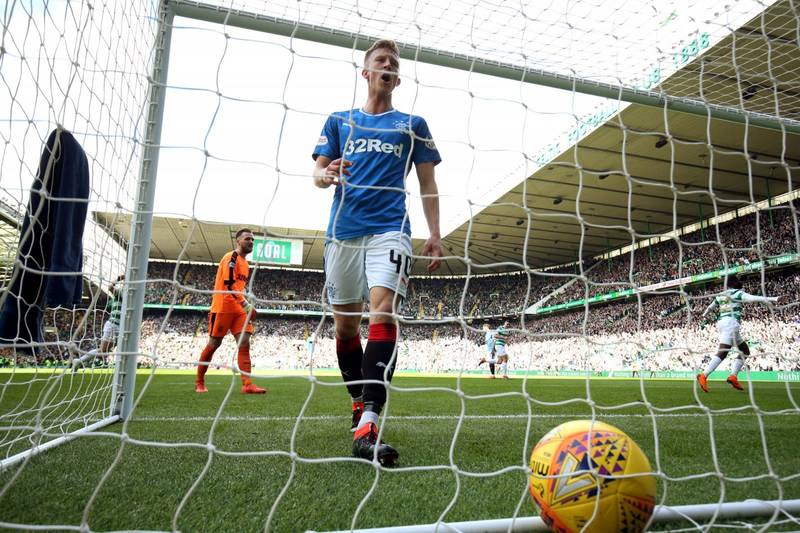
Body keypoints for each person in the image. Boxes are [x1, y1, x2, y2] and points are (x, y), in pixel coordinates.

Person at [312, 38, 442, 465]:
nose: (387, 65)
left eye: (393, 62)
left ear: (397, 78)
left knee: (383, 313)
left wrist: (435, 233)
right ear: (365, 73)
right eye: (379, 60)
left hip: (391, 230)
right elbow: (317, 172)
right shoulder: (338, 120)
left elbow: (427, 184)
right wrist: (324, 173)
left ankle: (369, 420)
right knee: (345, 330)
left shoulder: (413, 123)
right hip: (342, 233)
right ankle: (357, 403)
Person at [195, 228, 266, 394]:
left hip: (239, 310)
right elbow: (228, 283)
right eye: (247, 239)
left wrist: (244, 304)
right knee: (214, 344)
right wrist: (245, 303)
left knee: (244, 342)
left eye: (253, 240)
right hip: (222, 307)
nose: (251, 242)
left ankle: (247, 384)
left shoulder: (246, 264)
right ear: (238, 241)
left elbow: (239, 287)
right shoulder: (230, 257)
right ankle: (199, 381)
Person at [696, 276, 778, 393]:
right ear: (734, 283)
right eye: (738, 280)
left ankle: (733, 376)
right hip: (731, 323)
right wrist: (774, 298)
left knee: (744, 350)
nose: (741, 282)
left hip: (723, 323)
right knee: (723, 352)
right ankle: (704, 375)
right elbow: (752, 298)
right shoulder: (737, 293)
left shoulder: (721, 294)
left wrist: (704, 314)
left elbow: (711, 307)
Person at [73, 274, 124, 370]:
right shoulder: (121, 292)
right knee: (102, 351)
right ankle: (79, 361)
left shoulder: (132, 296)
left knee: (105, 352)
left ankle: (80, 361)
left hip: (120, 327)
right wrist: (118, 278)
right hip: (114, 325)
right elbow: (110, 287)